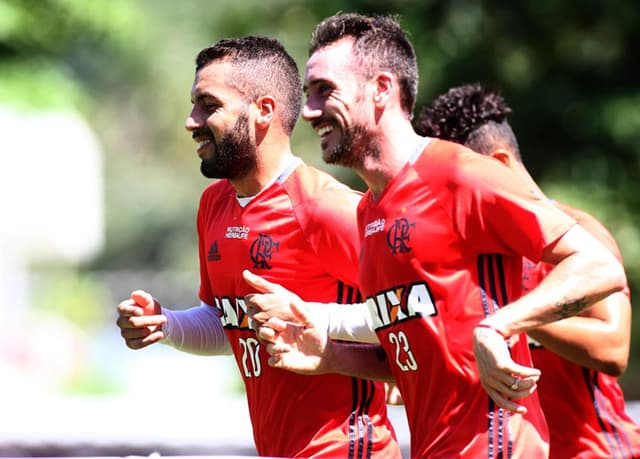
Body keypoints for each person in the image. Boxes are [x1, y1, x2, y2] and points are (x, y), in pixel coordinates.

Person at [242, 13, 627, 458]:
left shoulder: (457, 173)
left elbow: (599, 266)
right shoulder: (368, 210)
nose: (308, 111)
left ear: (382, 89)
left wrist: (502, 324)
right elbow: (417, 359)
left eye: (325, 91)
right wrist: (330, 356)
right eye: (308, 93)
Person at [115, 36, 401, 459]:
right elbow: (228, 323)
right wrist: (166, 324)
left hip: (349, 449)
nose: (191, 121)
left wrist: (317, 321)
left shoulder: (326, 208)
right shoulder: (214, 205)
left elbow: (415, 313)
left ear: (263, 110)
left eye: (208, 105)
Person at [414, 82, 640, 459]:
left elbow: (613, 348)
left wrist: (512, 317)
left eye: (460, 183)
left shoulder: (579, 238)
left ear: (499, 165)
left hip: (598, 452)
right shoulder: (472, 257)